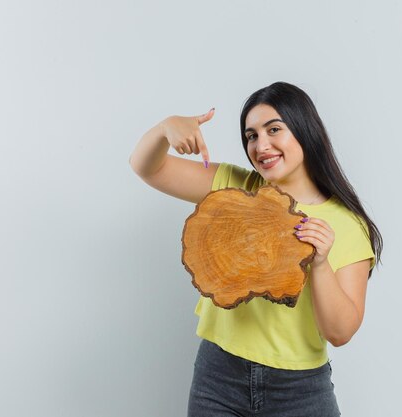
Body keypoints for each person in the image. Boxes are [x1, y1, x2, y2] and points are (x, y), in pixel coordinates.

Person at [129, 81, 383, 416]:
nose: (261, 145)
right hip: (218, 377)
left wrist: (319, 263)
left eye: (273, 129)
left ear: (305, 130)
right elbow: (147, 167)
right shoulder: (234, 187)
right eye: (251, 135)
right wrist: (165, 129)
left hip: (299, 390)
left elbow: (340, 333)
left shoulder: (348, 225)